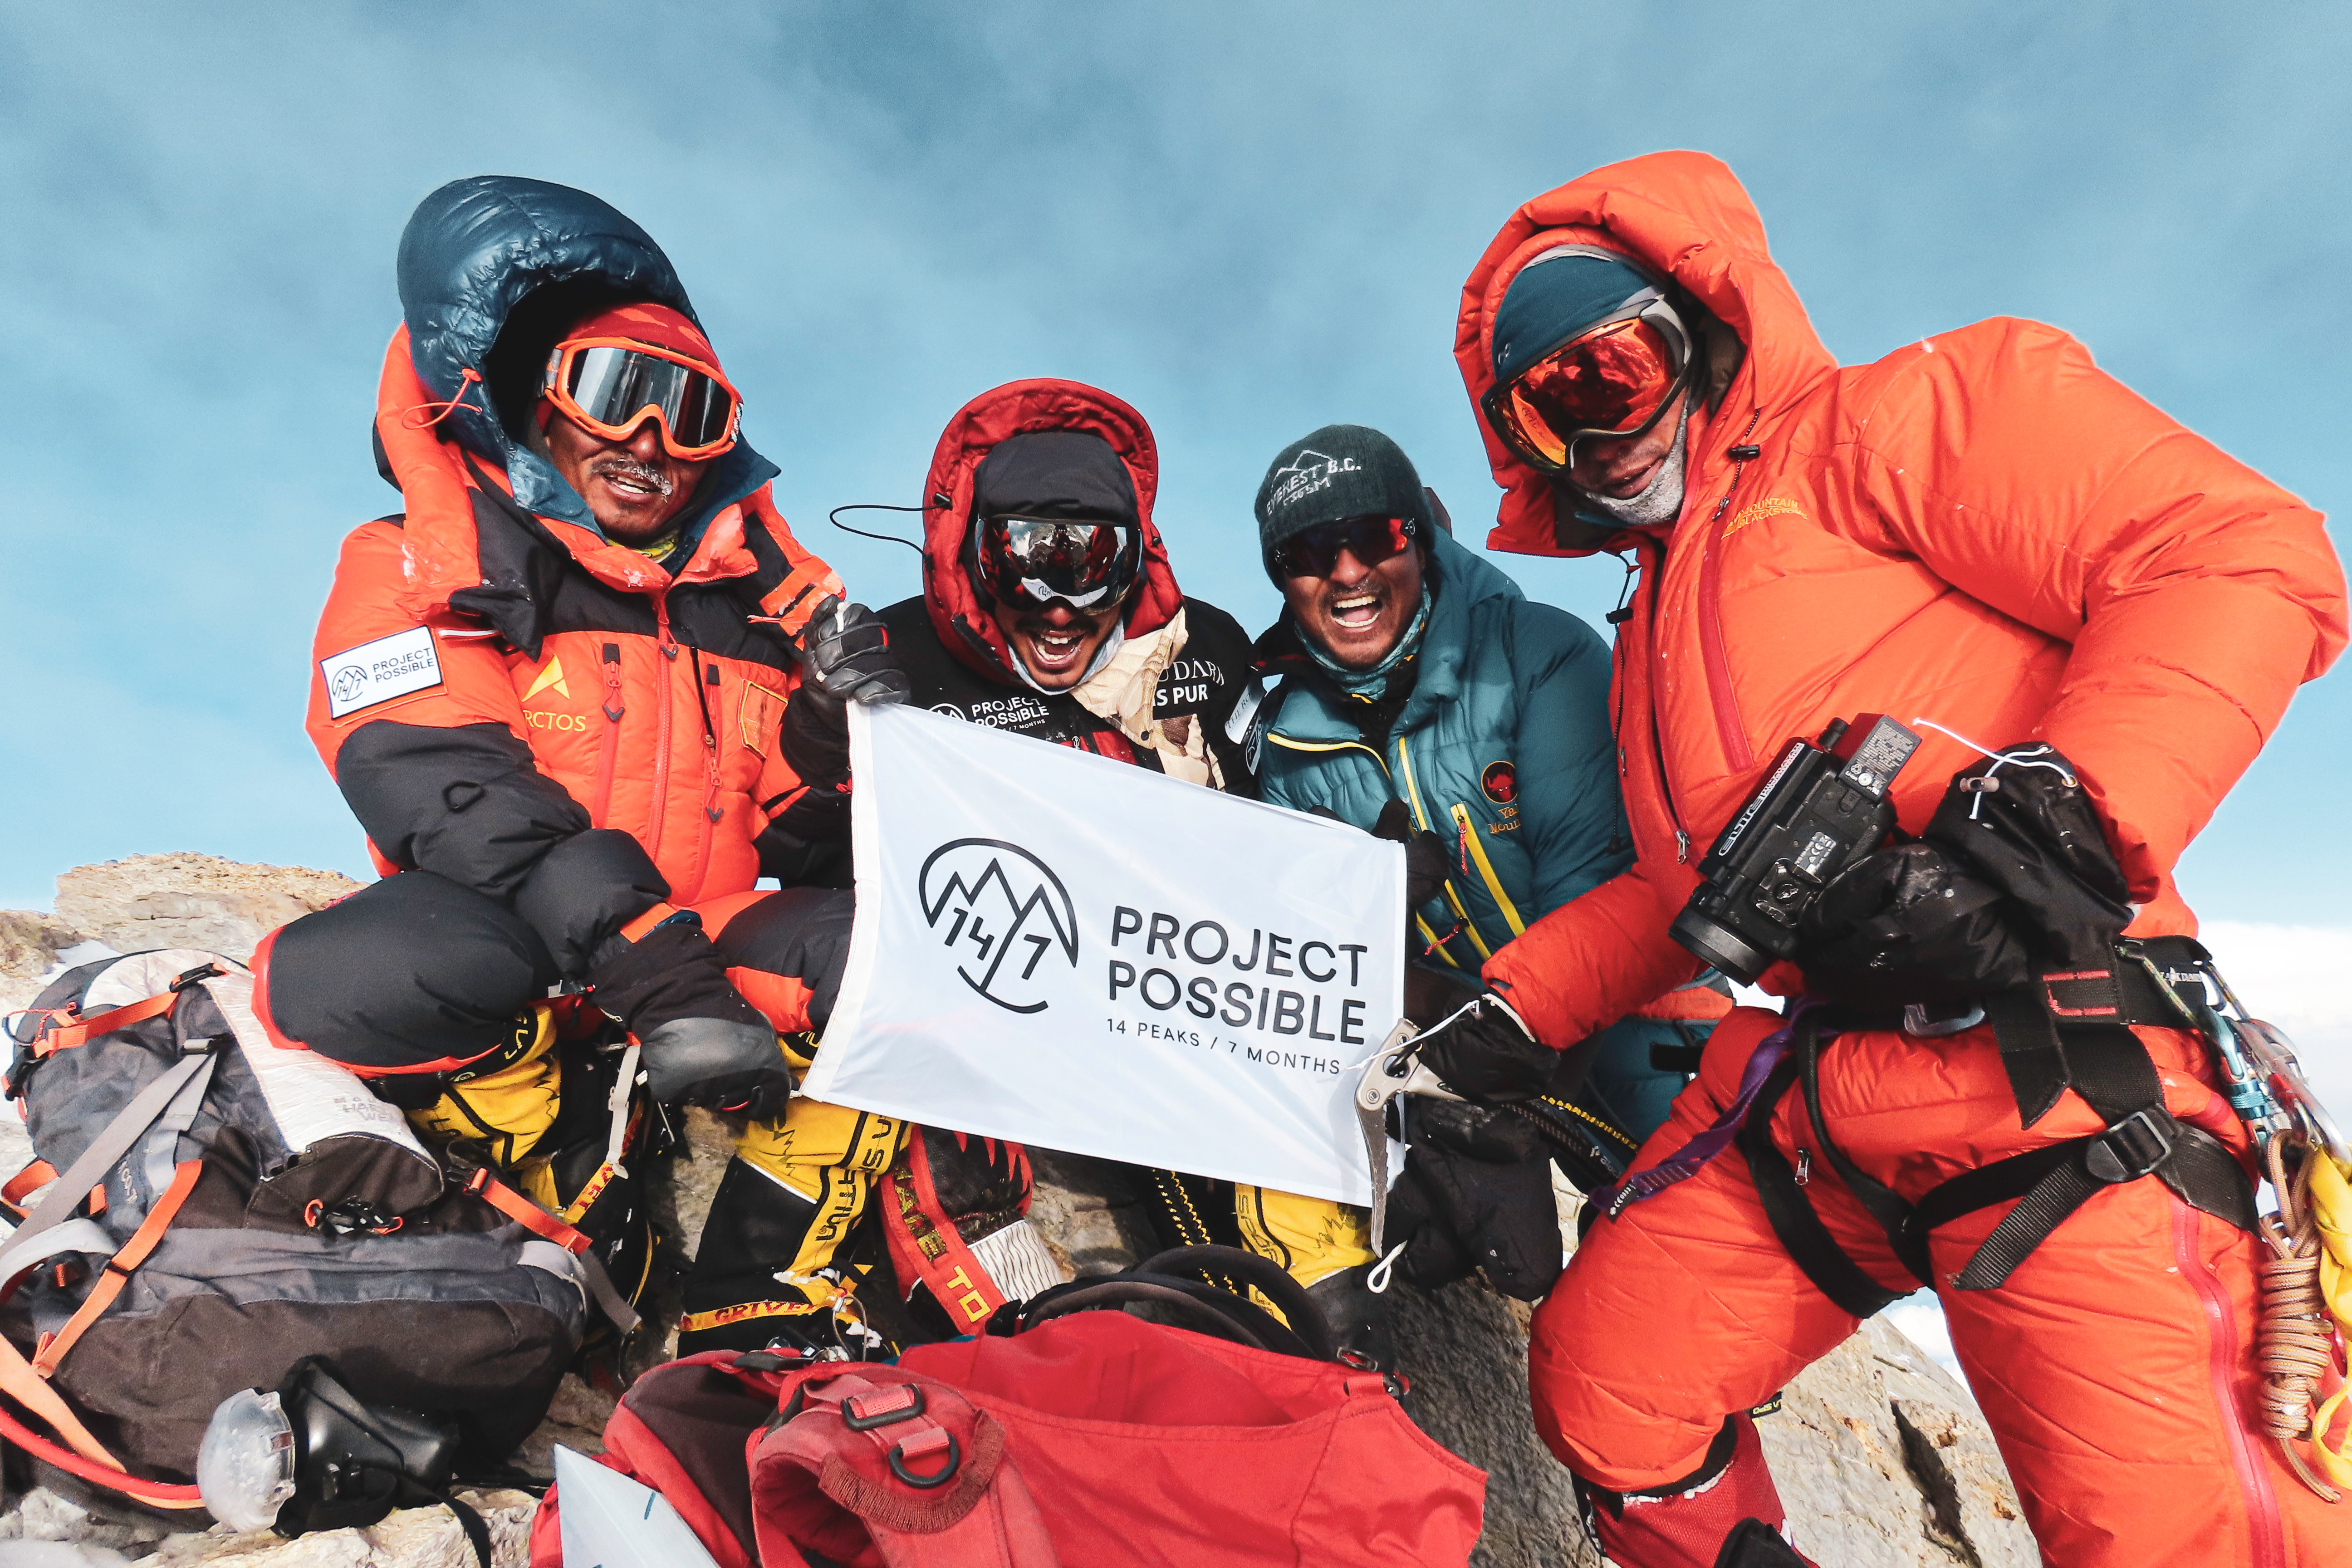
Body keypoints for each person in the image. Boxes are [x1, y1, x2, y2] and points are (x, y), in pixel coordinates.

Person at [1404, 151, 2348, 1567]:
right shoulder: (1648, 630)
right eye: (1545, 411)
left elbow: (2242, 552)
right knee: (1611, 1391)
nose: (1596, 431)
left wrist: (2062, 823)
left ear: (1697, 325)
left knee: (2183, 1537)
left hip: (2052, 1067)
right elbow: (1693, 893)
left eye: (1613, 369)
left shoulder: (1896, 416)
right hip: (1827, 1089)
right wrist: (1514, 1009)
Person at [264, 176, 905, 1337]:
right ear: (539, 404)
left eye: (694, 413)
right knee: (369, 969)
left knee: (899, 958)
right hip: (524, 942)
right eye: (618, 393)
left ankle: (751, 1276)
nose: (654, 442)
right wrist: (642, 956)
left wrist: (826, 729)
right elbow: (444, 784)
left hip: (702, 941)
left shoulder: (758, 610)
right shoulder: (416, 559)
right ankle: (549, 1176)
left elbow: (795, 842)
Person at [1247, 423, 1730, 1175]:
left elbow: (1599, 896)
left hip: (1651, 1034)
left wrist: (1518, 1119)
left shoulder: (1541, 655)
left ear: (1418, 540)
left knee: (1713, 1239)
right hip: (1464, 1053)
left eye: (1374, 536)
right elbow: (1325, 967)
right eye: (1306, 554)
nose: (1345, 573)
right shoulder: (1285, 753)